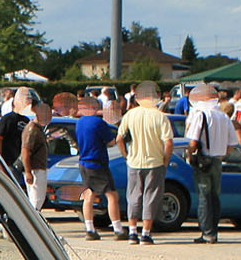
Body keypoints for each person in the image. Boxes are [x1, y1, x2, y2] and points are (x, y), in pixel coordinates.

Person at [115, 80, 174, 244]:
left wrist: (126, 154)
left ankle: (132, 232)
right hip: (155, 161)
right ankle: (146, 233)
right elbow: (168, 142)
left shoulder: (130, 115)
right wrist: (166, 159)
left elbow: (119, 138)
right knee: (151, 196)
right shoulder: (160, 117)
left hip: (134, 161)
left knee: (133, 196)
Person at [185, 82, 234, 243]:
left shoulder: (200, 115)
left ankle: (207, 232)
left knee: (204, 197)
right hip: (218, 160)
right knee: (215, 197)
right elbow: (232, 144)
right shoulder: (224, 116)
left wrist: (189, 154)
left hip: (203, 160)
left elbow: (192, 142)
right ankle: (214, 230)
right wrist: (221, 154)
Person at [74, 94, 121, 239]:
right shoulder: (99, 123)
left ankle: (90, 229)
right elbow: (111, 142)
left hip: (83, 162)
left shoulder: (79, 123)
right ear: (94, 107)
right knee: (112, 195)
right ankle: (118, 229)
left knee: (89, 195)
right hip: (98, 163)